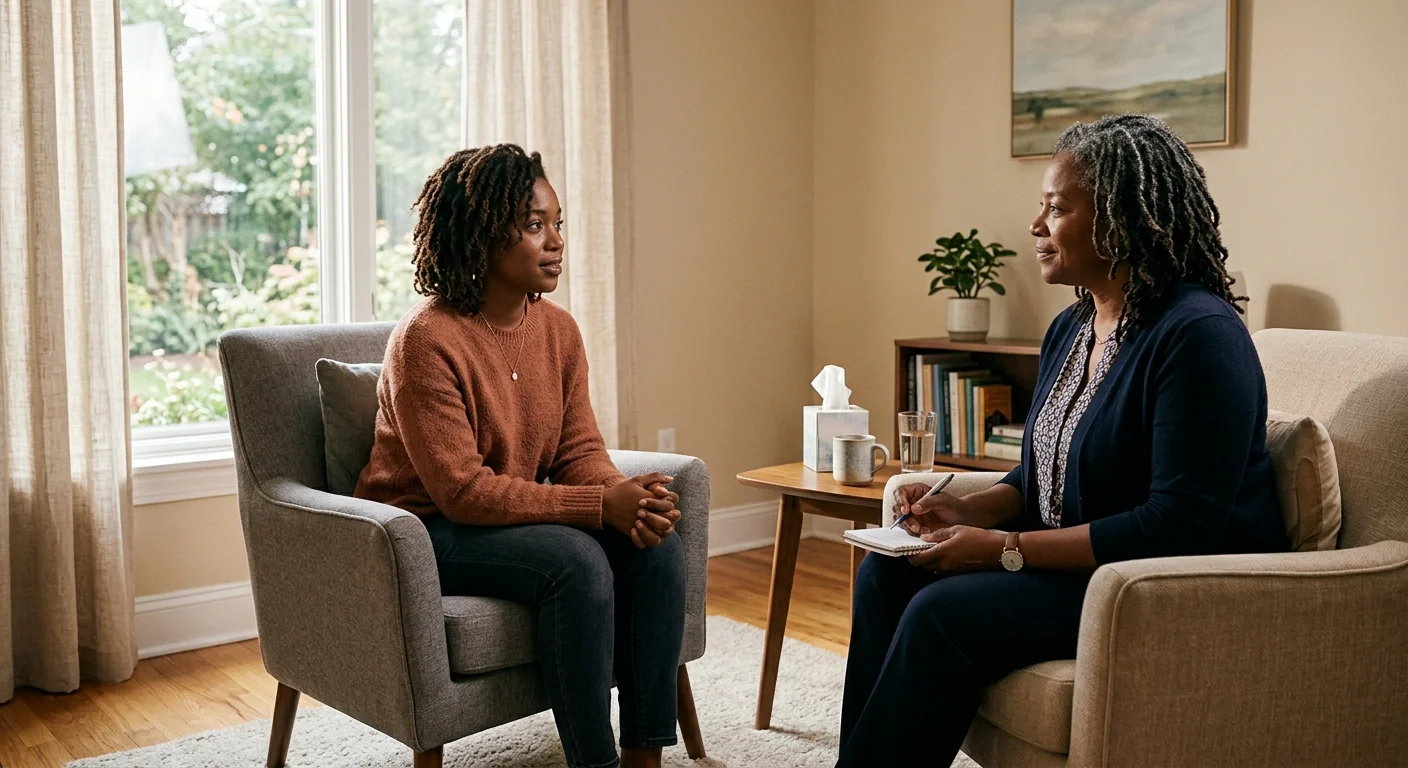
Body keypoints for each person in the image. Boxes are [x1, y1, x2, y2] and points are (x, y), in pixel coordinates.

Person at [837, 115, 1288, 767]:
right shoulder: (1072, 328)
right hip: (1080, 569)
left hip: (1161, 586)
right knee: (885, 576)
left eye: (1056, 207)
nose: (1036, 226)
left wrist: (1006, 550)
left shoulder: (1198, 335)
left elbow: (1178, 524)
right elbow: (1041, 474)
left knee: (944, 614)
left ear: (1121, 217)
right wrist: (971, 509)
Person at [355, 144, 684, 768]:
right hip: (423, 530)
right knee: (576, 561)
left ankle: (646, 759)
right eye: (535, 225)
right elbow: (464, 493)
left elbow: (578, 449)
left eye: (558, 223)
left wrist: (625, 501)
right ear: (479, 233)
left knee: (654, 543)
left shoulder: (558, 329)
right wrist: (595, 508)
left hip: (498, 517)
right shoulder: (425, 341)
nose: (555, 241)